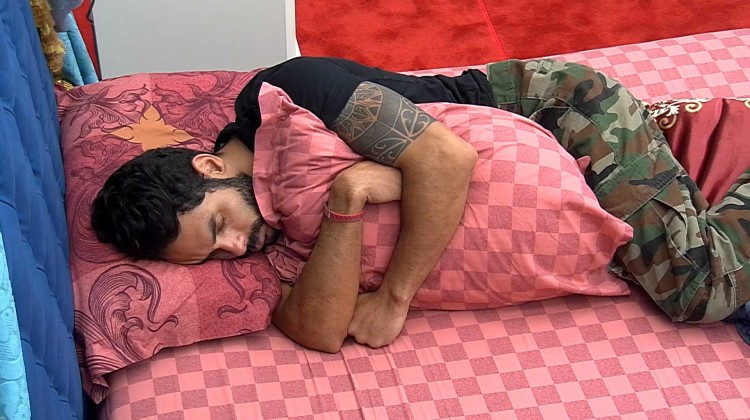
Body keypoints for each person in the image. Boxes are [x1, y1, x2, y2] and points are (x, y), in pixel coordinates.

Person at [91, 57, 750, 353]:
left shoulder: (290, 94)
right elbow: (317, 328)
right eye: (214, 255)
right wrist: (350, 199)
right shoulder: (268, 207)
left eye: (218, 226)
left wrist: (394, 297)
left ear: (209, 166)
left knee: (696, 286)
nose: (236, 248)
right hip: (539, 164)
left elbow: (444, 159)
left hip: (555, 111)